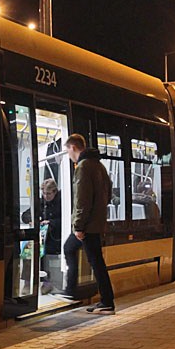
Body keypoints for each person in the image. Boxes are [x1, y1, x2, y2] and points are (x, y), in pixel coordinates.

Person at [58, 133, 115, 314]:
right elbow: (108, 193)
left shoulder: (83, 167)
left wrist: (79, 226)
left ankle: (105, 301)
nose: (69, 155)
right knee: (91, 258)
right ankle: (79, 292)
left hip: (88, 226)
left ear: (73, 148)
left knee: (93, 260)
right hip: (96, 223)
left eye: (68, 151)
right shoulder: (99, 166)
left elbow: (81, 199)